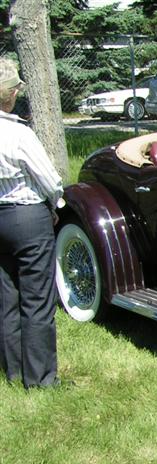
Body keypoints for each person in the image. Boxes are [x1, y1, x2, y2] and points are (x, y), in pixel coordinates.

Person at [0, 58, 63, 388]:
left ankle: (13, 371)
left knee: (6, 297)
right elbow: (50, 180)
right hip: (27, 217)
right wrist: (54, 205)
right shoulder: (18, 133)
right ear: (9, 95)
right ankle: (39, 380)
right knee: (37, 300)